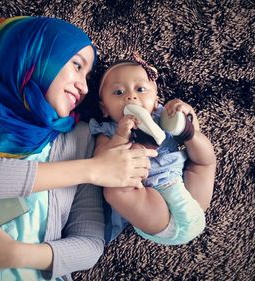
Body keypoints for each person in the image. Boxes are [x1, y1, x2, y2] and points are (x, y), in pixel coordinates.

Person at [0, 17, 157, 281]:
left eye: (88, 76)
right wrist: (94, 169)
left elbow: (90, 244)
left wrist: (16, 255)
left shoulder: (79, 138)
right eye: (77, 66)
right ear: (36, 54)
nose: (84, 86)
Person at [89, 53, 216, 245]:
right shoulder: (107, 131)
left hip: (190, 192)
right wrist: (121, 136)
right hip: (155, 207)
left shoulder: (164, 116)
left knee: (204, 160)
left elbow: (196, 136)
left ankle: (186, 131)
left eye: (140, 89)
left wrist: (185, 113)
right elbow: (103, 162)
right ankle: (186, 132)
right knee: (114, 191)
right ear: (104, 108)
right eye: (118, 93)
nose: (131, 96)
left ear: (156, 100)